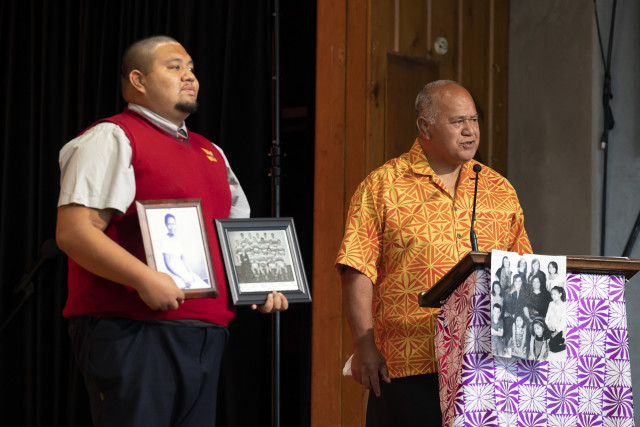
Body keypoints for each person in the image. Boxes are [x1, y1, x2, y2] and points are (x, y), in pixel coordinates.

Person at [56, 35, 288, 427]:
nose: (190, 76)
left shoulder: (211, 152)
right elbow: (75, 232)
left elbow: (235, 235)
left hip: (205, 331)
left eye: (192, 68)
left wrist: (259, 283)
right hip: (133, 329)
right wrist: (143, 278)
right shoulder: (113, 137)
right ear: (138, 80)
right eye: (175, 67)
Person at [335, 80, 532, 426]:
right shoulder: (383, 186)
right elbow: (357, 266)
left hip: (487, 365)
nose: (470, 130)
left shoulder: (499, 189)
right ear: (425, 127)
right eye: (458, 121)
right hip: (410, 363)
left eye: (474, 120)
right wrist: (364, 345)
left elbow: (524, 268)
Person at [159, 213, 208, 289]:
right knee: (186, 286)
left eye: (173, 224)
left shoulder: (178, 238)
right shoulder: (165, 240)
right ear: (166, 225)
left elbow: (183, 258)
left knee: (198, 283)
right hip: (173, 271)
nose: (172, 227)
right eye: (169, 224)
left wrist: (189, 272)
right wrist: (182, 277)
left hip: (182, 268)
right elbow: (167, 264)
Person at [545, 286, 567, 353]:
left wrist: (554, 333)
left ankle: (565, 345)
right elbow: (547, 316)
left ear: (560, 294)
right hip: (549, 328)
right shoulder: (551, 303)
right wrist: (546, 328)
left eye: (555, 294)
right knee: (544, 345)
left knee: (553, 349)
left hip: (557, 330)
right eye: (552, 294)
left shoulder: (564, 305)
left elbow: (563, 322)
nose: (553, 296)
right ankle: (560, 340)